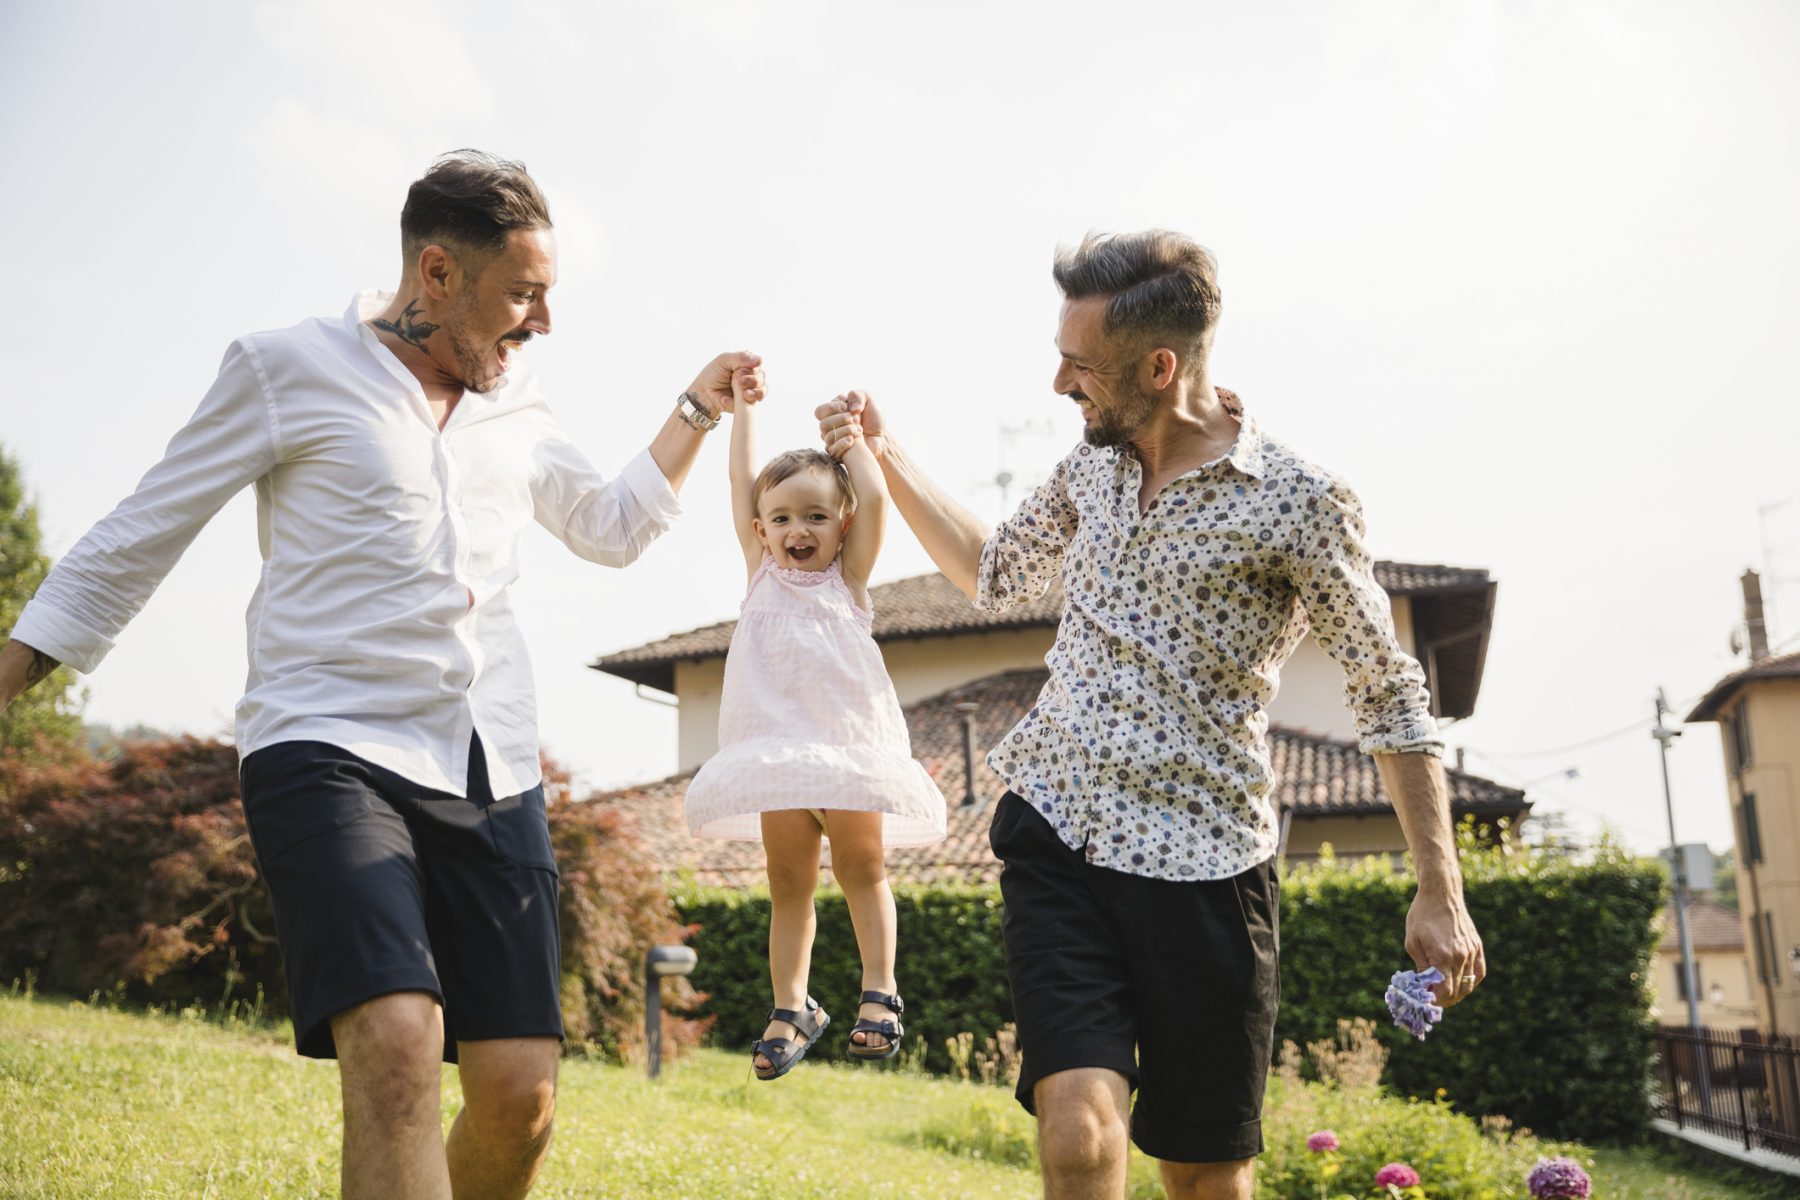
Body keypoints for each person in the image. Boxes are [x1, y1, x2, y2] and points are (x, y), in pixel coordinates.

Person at [0, 150, 761, 1200]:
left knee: (519, 1099)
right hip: (327, 744)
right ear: (438, 274)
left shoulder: (517, 400)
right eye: (524, 294)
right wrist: (13, 671)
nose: (542, 321)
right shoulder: (286, 368)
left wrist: (696, 406)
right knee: (399, 1040)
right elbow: (144, 529)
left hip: (489, 761)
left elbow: (611, 525)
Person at [817, 231, 1486, 1200]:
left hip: (1206, 868)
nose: (1058, 384)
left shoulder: (1299, 503)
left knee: (1204, 1175)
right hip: (1059, 834)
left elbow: (1388, 691)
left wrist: (1441, 887)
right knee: (1081, 1136)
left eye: (1079, 365)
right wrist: (884, 449)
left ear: (1160, 366)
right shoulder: (1090, 466)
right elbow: (994, 566)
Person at [684, 380, 946, 1080]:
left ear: (843, 525)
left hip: (848, 753)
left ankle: (880, 992)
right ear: (761, 528)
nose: (798, 531)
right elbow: (742, 480)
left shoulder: (849, 582)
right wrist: (743, 413)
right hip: (775, 759)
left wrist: (855, 442)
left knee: (863, 866)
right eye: (782, 519)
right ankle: (792, 1006)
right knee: (788, 882)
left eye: (817, 517)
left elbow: (879, 498)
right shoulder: (758, 574)